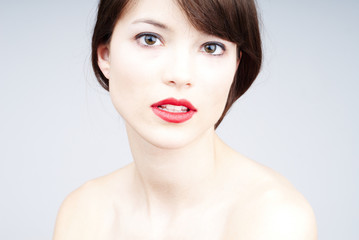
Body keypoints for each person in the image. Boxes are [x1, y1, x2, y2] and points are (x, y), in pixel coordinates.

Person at [53, 0, 317, 239]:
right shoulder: (82, 214)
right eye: (150, 39)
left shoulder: (275, 220)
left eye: (211, 47)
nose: (180, 74)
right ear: (105, 55)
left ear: (236, 65)